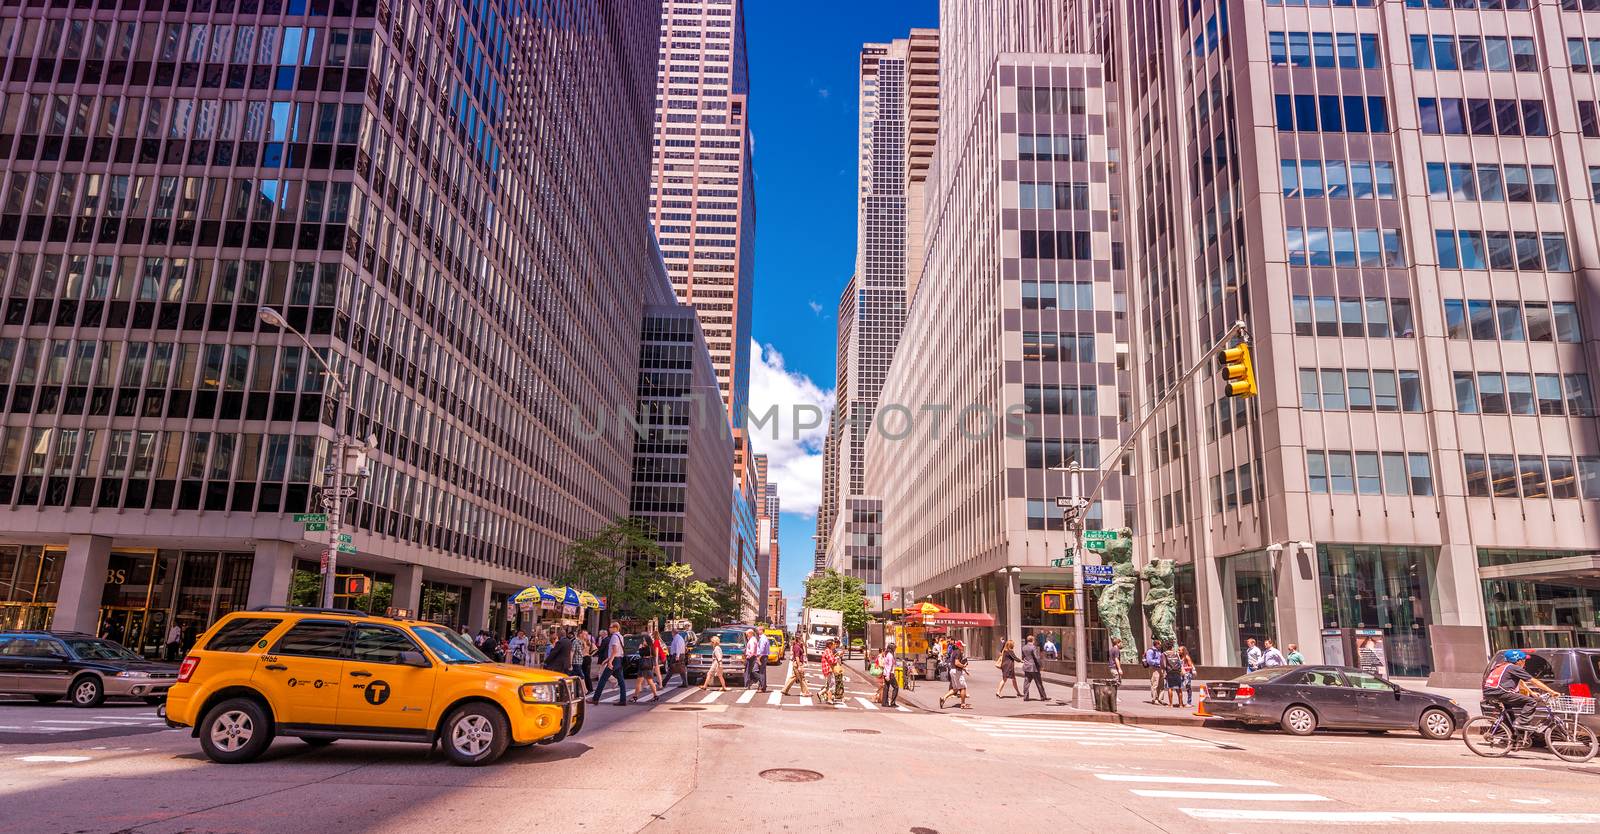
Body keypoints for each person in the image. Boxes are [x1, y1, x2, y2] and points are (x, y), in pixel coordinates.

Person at [1483, 649, 1560, 729]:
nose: (1524, 662)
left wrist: (1531, 692)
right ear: (1518, 661)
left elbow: (1520, 682)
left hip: (1489, 694)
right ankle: (1521, 723)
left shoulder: (1501, 667)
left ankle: (1511, 737)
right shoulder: (1514, 668)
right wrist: (1551, 691)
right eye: (1523, 660)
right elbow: (1533, 681)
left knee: (1509, 715)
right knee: (1531, 702)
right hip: (1501, 693)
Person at [589, 622, 629, 706]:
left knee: (603, 679)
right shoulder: (620, 636)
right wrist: (607, 660)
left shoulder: (614, 637)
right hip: (618, 659)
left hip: (614, 660)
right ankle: (623, 700)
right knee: (621, 681)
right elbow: (617, 651)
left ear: (615, 628)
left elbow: (614, 650)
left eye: (610, 627)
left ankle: (595, 699)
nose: (609, 629)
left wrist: (610, 661)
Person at [938, 641, 971, 709]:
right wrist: (963, 666)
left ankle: (943, 698)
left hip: (952, 671)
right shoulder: (958, 652)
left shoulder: (954, 652)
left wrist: (964, 670)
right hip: (957, 671)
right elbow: (957, 663)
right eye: (962, 646)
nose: (963, 647)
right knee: (963, 688)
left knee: (955, 689)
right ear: (959, 646)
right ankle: (963, 704)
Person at [633, 631, 661, 703]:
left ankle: (635, 697)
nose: (643, 642)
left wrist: (640, 648)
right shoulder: (651, 648)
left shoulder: (646, 648)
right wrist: (654, 665)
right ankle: (655, 695)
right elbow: (654, 657)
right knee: (650, 681)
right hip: (649, 665)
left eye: (644, 640)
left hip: (643, 666)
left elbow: (641, 654)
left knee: (639, 682)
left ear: (647, 641)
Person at [782, 630, 811, 696]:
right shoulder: (797, 647)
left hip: (798, 663)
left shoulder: (799, 645)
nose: (802, 639)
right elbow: (797, 657)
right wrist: (799, 666)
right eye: (801, 637)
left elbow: (803, 653)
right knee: (801, 678)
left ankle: (785, 690)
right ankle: (805, 692)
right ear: (798, 638)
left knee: (794, 677)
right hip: (798, 663)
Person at [1020, 634, 1048, 701]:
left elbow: (1023, 656)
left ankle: (1025, 697)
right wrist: (1040, 665)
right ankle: (1043, 696)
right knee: (1038, 682)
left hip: (1027, 667)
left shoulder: (1024, 647)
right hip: (1034, 667)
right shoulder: (1033, 647)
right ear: (1033, 640)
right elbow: (1036, 658)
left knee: (1026, 682)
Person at [1162, 642, 1184, 709]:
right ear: (1172, 647)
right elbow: (1179, 663)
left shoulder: (1164, 654)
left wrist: (1164, 671)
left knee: (1170, 688)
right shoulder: (1176, 653)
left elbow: (1163, 664)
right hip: (1177, 672)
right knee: (1179, 688)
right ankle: (1180, 705)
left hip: (1170, 672)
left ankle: (1171, 704)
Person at [878, 642, 899, 707]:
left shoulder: (886, 654)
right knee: (896, 687)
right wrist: (888, 675)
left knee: (886, 687)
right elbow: (889, 666)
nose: (895, 649)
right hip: (889, 674)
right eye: (894, 648)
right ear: (892, 648)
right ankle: (892, 703)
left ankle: (884, 703)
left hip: (886, 673)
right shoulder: (890, 655)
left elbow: (885, 664)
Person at [1145, 640, 1166, 705]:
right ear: (1156, 644)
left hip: (1160, 668)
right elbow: (1149, 661)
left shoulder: (1159, 651)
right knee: (1155, 684)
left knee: (1161, 684)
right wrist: (1158, 662)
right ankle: (1155, 699)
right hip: (1154, 669)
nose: (1161, 646)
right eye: (1160, 644)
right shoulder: (1150, 651)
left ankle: (1160, 699)